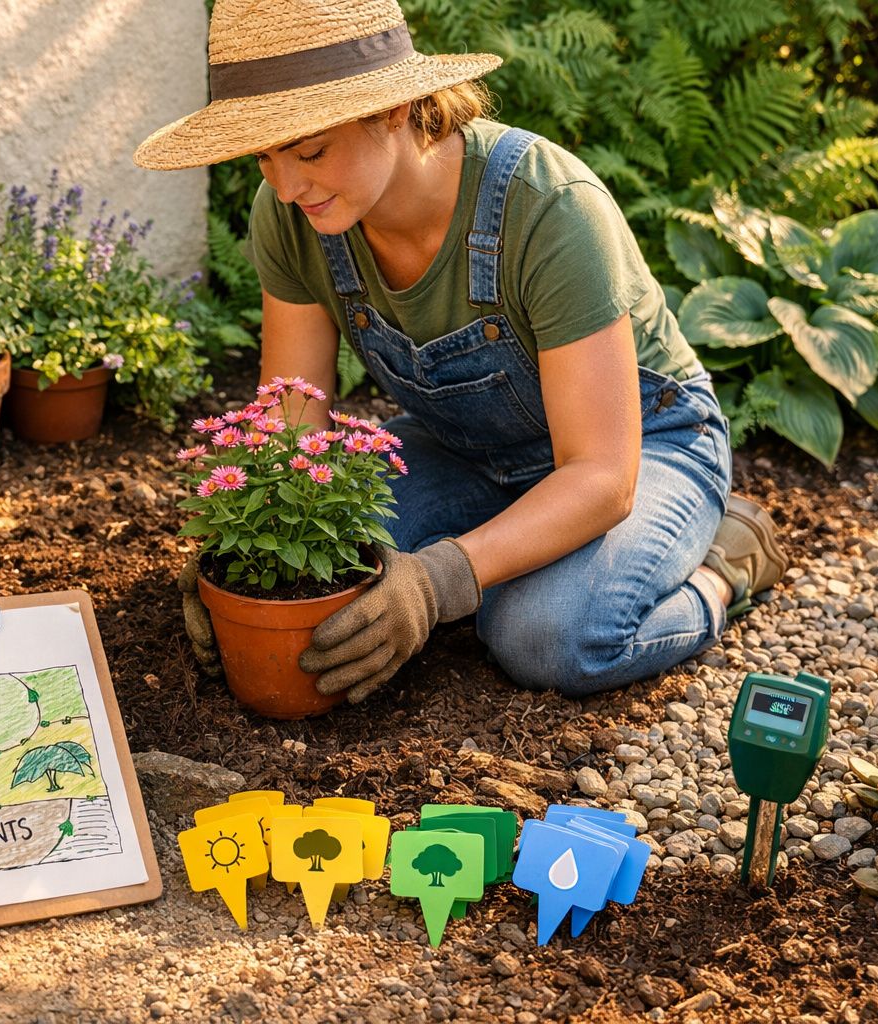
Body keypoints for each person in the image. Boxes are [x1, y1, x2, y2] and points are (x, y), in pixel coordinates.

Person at [137, 0, 787, 705]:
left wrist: (438, 580)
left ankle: (724, 564)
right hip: (463, 448)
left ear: (392, 109)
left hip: (642, 447)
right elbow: (294, 420)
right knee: (318, 585)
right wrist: (250, 553)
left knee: (543, 636)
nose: (287, 188)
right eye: (263, 156)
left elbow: (602, 475)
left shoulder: (547, 205)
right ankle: (504, 552)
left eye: (310, 150)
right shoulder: (293, 216)